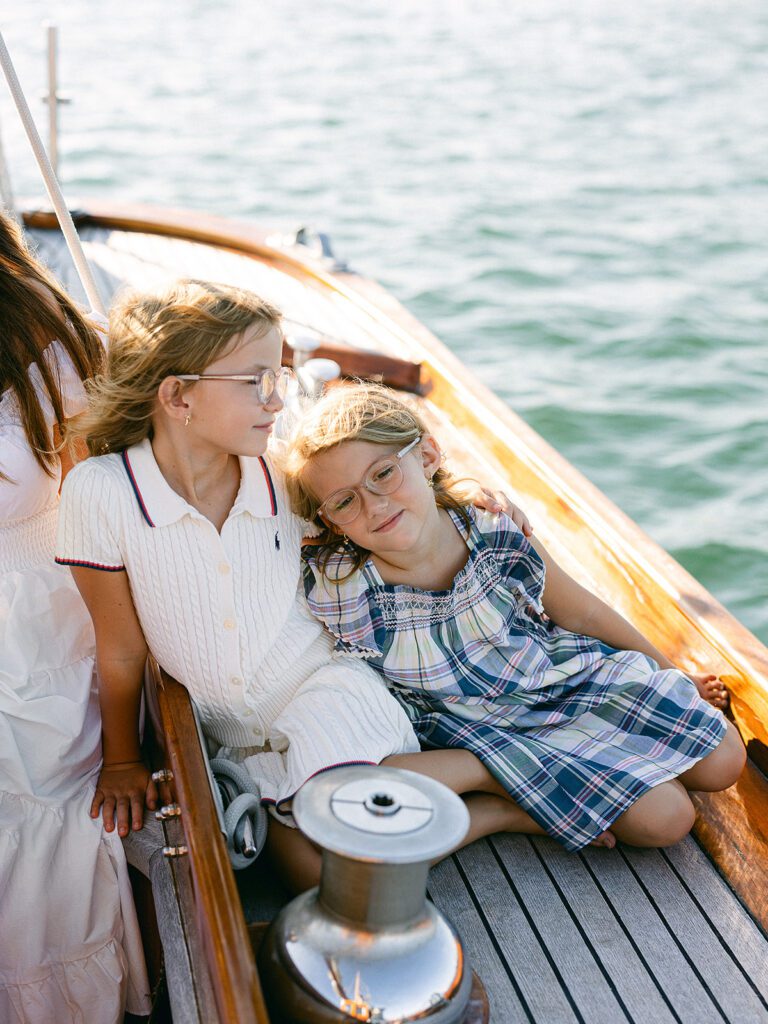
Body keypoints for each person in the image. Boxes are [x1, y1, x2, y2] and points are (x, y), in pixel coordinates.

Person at [55, 278, 531, 893]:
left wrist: (463, 492)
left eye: (278, 377)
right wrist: (121, 759)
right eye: (256, 381)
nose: (276, 401)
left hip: (327, 692)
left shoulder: (282, 476)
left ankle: (488, 770)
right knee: (318, 874)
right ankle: (504, 804)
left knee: (352, 839)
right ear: (178, 396)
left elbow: (380, 506)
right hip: (234, 738)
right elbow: (118, 648)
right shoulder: (101, 492)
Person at [282, 382, 746, 853]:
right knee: (667, 820)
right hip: (477, 727)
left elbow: (582, 610)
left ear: (426, 456)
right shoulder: (341, 586)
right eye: (344, 501)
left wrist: (672, 670)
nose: (374, 504)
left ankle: (587, 774)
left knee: (726, 758)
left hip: (559, 677)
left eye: (383, 473)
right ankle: (502, 807)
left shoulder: (489, 524)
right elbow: (271, 533)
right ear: (330, 520)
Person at [0, 212, 150, 1022]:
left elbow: (101, 540)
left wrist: (124, 755)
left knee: (30, 831)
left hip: (34, 640)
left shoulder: (39, 333)